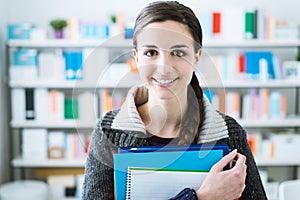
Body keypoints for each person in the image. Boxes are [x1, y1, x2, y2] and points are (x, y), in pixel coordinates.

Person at [82, 1, 267, 199]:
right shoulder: (108, 132)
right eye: (151, 53)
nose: (164, 67)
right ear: (137, 58)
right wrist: (201, 197)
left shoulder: (230, 133)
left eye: (178, 53)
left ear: (196, 58)